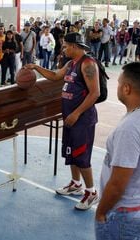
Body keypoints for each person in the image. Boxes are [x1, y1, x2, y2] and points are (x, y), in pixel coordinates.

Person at [25, 32, 100, 210]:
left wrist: (76, 113)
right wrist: (36, 67)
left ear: (75, 46)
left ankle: (92, 192)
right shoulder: (70, 64)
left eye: (66, 46)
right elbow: (54, 76)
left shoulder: (88, 64)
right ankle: (76, 184)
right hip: (70, 118)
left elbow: (95, 93)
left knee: (81, 157)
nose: (63, 48)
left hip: (82, 120)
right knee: (72, 154)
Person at [96, 62, 140, 240]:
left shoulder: (131, 127)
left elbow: (118, 182)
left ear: (126, 88)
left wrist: (102, 211)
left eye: (118, 83)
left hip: (124, 211)